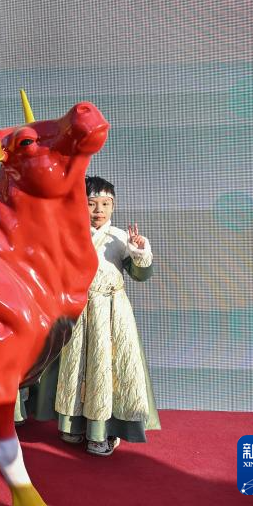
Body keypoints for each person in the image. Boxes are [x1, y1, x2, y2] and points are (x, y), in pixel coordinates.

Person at [54, 176, 160, 456]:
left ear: (113, 206)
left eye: (105, 203)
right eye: (91, 204)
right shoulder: (69, 235)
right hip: (79, 311)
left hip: (112, 312)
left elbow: (140, 276)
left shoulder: (120, 238)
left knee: (107, 369)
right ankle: (74, 424)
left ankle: (103, 432)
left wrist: (138, 250)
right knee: (77, 367)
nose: (99, 210)